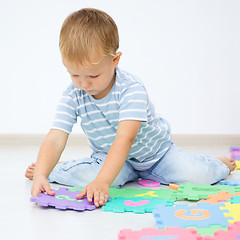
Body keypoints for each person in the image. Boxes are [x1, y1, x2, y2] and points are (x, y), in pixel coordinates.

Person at [25, 8, 236, 207]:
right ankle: (50, 169)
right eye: (74, 74)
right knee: (88, 177)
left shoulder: (131, 89)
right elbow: (56, 136)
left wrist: (103, 182)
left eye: (93, 75)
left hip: (157, 156)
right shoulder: (73, 93)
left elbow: (125, 138)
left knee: (198, 176)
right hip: (110, 158)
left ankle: (214, 164)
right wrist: (42, 174)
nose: (83, 84)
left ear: (115, 59)